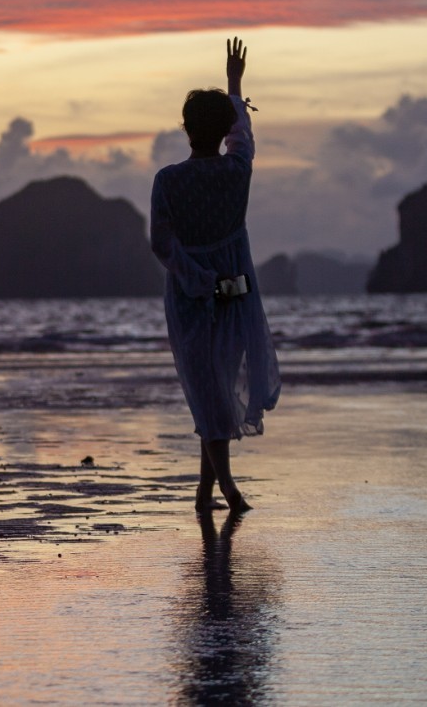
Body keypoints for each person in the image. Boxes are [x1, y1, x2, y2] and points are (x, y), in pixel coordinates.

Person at [150, 37, 280, 513]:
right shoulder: (236, 170)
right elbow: (243, 134)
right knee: (215, 385)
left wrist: (197, 278)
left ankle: (217, 488)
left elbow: (161, 243)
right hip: (235, 289)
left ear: (186, 129)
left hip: (190, 293)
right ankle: (216, 489)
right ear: (222, 129)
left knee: (209, 388)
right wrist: (234, 82)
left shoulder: (168, 180)